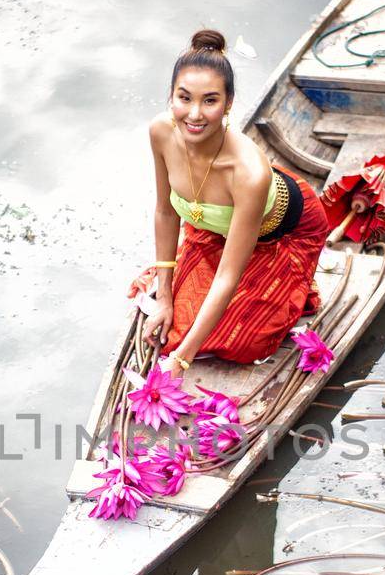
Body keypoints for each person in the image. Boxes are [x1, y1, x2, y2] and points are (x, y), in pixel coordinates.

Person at [129, 29, 331, 371]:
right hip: (215, 226)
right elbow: (166, 212)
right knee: (173, 322)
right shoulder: (160, 132)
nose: (194, 114)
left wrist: (181, 361)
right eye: (184, 98)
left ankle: (293, 278)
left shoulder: (248, 172)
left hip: (281, 233)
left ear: (228, 104)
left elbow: (226, 279)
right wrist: (164, 298)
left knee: (242, 343)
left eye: (209, 100)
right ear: (171, 97)